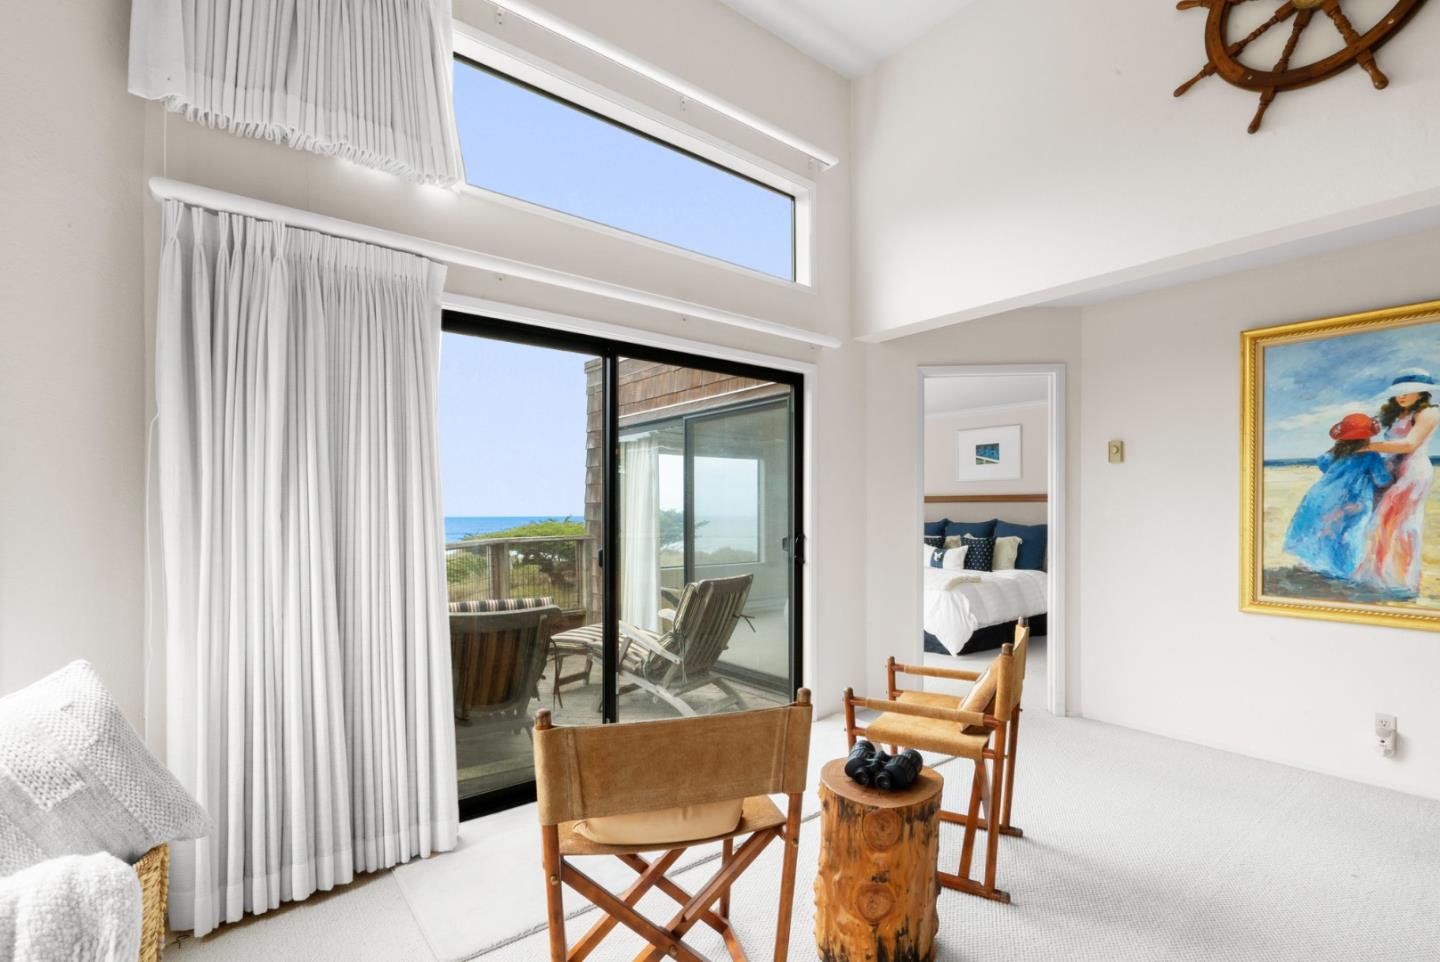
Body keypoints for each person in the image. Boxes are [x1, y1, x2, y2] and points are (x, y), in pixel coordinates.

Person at [1354, 368, 1439, 598]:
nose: (1401, 396)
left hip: (1412, 472)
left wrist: (1369, 447)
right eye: (1398, 392)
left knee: (1402, 524)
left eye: (1407, 391)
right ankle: (1379, 577)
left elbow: (1410, 444)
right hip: (1391, 470)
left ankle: (1401, 582)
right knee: (1381, 523)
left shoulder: (1430, 412)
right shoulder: (1396, 414)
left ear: (1422, 392)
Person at [1284, 413, 1392, 581]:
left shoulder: (1335, 453)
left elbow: (1322, 462)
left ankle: (1322, 567)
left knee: (1326, 531)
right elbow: (1382, 479)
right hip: (1354, 500)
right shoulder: (1371, 456)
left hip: (1323, 495)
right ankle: (1345, 572)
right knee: (1351, 533)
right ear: (1368, 437)